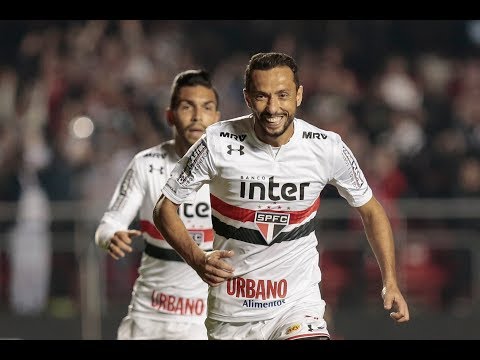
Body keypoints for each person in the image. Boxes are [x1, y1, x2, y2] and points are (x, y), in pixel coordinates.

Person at [152, 52, 410, 340]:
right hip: (233, 314)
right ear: (247, 98)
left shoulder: (327, 147)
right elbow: (164, 208)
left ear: (299, 95)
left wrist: (390, 280)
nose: (273, 107)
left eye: (282, 95)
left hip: (297, 306)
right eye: (262, 96)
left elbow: (372, 210)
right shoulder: (216, 142)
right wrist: (198, 259)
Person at [94, 69, 221, 340]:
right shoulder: (146, 164)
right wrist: (110, 237)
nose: (198, 116)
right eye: (187, 106)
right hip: (148, 320)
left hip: (204, 324)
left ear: (217, 118)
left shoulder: (229, 172)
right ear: (170, 115)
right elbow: (109, 223)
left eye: (207, 107)